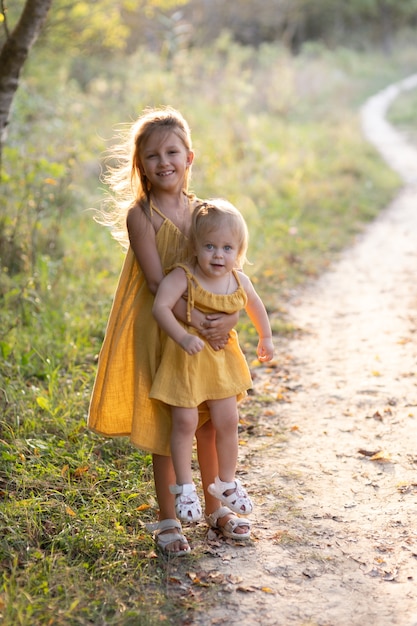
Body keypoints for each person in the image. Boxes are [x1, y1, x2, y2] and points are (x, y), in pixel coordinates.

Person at [88, 107, 250, 556]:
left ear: (189, 157)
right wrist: (195, 319)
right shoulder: (141, 215)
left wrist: (229, 318)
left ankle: (218, 509)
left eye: (172, 152)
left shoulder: (204, 212)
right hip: (162, 327)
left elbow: (228, 273)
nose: (164, 162)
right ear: (141, 165)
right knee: (170, 423)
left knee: (210, 425)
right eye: (153, 155)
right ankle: (168, 518)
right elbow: (158, 282)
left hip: (208, 332)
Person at [150, 200, 274, 523]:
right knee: (185, 422)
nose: (218, 255)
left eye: (227, 248)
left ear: (238, 250)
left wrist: (265, 337)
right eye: (209, 246)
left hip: (220, 365)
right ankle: (185, 486)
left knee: (227, 420)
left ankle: (227, 482)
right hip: (187, 362)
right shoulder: (184, 276)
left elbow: (255, 305)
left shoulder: (237, 279)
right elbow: (161, 306)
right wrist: (182, 336)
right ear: (195, 246)